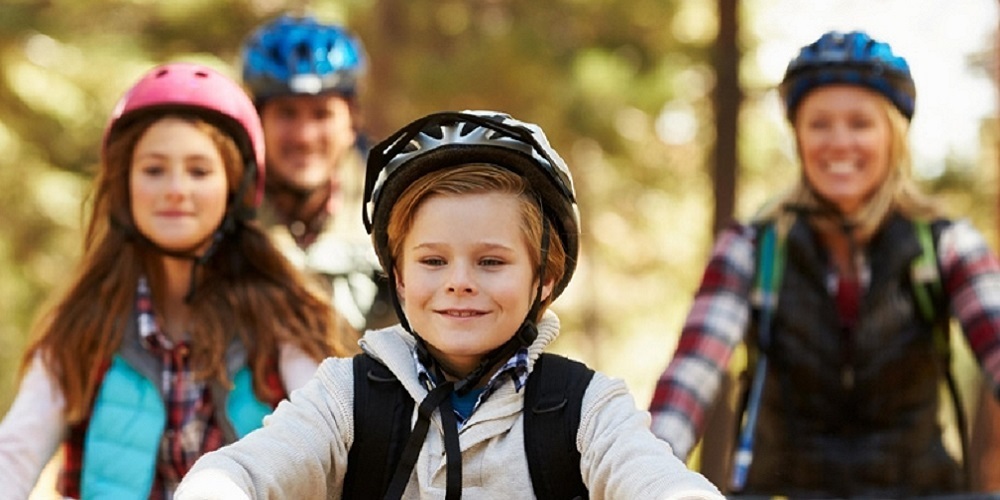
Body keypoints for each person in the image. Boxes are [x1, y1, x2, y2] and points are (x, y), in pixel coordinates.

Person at [173, 110, 725, 499]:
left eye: (491, 262)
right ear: (400, 278)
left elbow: (652, 478)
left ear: (545, 279)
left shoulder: (585, 408)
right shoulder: (345, 397)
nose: (459, 283)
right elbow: (250, 468)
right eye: (433, 262)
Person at [648, 30, 1000, 498]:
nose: (838, 142)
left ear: (892, 135)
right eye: (819, 124)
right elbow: (690, 378)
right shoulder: (752, 246)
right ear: (798, 135)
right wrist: (648, 473)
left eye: (860, 123)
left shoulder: (947, 244)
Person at [0, 62, 346, 499]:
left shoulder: (282, 315)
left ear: (234, 188)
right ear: (124, 184)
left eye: (199, 171)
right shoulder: (83, 324)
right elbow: (14, 454)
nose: (176, 189)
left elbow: (328, 439)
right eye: (154, 170)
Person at [240, 13, 395, 334]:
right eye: (287, 113)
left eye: (322, 114)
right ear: (257, 119)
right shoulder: (223, 212)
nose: (304, 136)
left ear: (352, 121)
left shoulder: (397, 213)